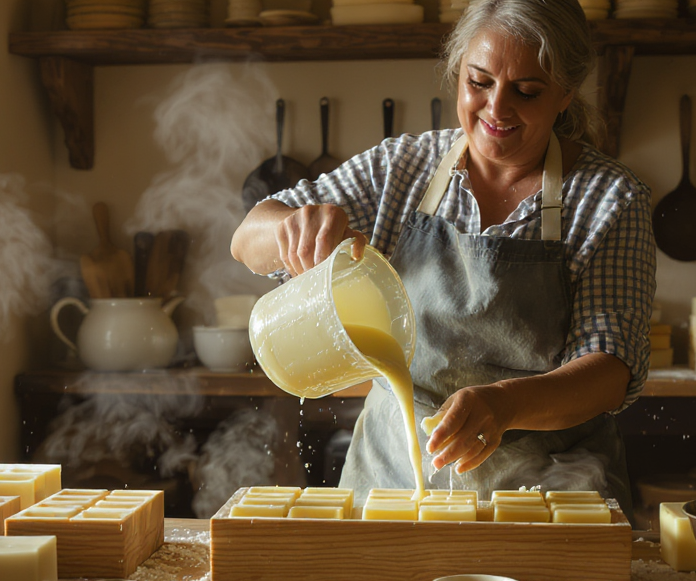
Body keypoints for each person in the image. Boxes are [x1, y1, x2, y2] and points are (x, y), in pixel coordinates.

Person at [229, 0, 655, 506]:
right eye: (479, 82)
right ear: (457, 74)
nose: (497, 108)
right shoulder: (402, 168)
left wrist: (502, 405)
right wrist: (290, 227)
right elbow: (246, 239)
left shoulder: (610, 198)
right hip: (393, 481)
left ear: (564, 94)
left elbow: (608, 372)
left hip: (548, 487)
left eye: (526, 91)